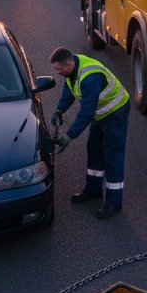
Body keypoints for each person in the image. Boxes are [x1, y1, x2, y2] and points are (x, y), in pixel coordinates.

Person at [49, 46, 130, 220]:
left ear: (69, 64)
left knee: (112, 156)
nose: (57, 73)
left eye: (58, 69)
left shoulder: (89, 77)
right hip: (101, 114)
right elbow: (68, 92)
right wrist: (59, 110)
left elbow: (86, 113)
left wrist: (69, 136)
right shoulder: (72, 71)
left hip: (115, 113)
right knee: (93, 150)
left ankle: (114, 203)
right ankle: (93, 191)